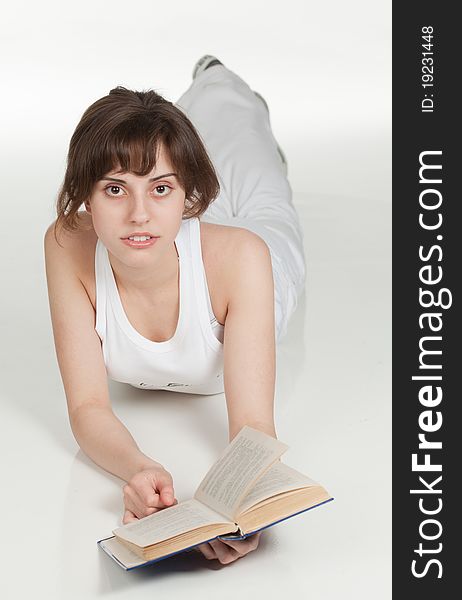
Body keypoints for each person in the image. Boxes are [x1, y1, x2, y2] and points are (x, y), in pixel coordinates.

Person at [44, 55, 306, 565]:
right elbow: (87, 408)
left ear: (189, 197)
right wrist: (139, 469)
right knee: (159, 143)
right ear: (85, 199)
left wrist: (242, 509)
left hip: (255, 258)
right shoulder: (65, 245)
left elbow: (253, 422)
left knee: (253, 157)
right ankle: (183, 122)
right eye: (115, 188)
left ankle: (217, 78)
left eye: (161, 187)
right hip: (187, 235)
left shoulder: (245, 257)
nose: (138, 213)